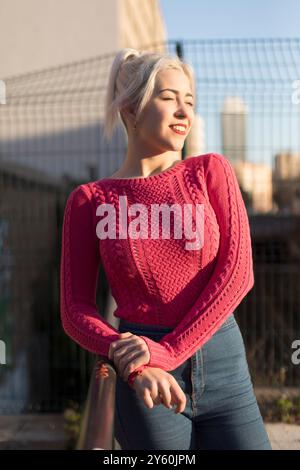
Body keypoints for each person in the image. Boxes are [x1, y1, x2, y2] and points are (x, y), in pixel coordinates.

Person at [60, 48, 272, 450]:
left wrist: (170, 351)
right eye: (168, 97)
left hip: (225, 364)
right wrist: (135, 365)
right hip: (146, 381)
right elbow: (75, 311)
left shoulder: (210, 172)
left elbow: (239, 272)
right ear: (130, 109)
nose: (183, 111)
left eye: (189, 101)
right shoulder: (91, 200)